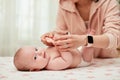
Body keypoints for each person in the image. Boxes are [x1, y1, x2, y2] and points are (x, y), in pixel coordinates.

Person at [41, 0, 120, 59]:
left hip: (107, 60)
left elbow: (115, 38)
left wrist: (85, 40)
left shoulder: (109, 3)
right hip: (81, 61)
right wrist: (53, 38)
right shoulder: (64, 4)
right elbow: (60, 32)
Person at [14, 36, 93, 71]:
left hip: (76, 49)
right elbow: (67, 61)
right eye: (35, 57)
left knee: (82, 40)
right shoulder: (51, 64)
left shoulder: (46, 51)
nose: (39, 53)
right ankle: (91, 36)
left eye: (36, 49)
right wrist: (61, 47)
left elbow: (54, 48)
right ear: (35, 69)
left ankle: (88, 35)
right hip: (82, 59)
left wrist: (53, 42)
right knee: (89, 47)